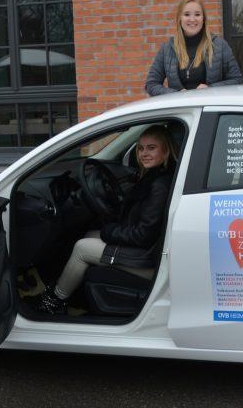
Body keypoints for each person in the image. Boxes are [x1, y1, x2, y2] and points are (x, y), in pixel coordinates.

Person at [38, 125, 178, 315]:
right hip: (149, 250)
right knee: (90, 234)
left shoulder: (159, 185)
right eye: (141, 148)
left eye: (151, 148)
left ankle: (55, 301)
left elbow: (143, 235)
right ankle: (69, 289)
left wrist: (109, 231)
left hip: (147, 260)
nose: (144, 153)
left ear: (166, 149)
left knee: (82, 247)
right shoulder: (158, 176)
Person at [146, 0, 242, 95]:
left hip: (211, 108)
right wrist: (175, 94)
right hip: (180, 109)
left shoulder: (219, 45)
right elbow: (151, 84)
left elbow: (236, 80)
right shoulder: (167, 49)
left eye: (197, 14)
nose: (192, 19)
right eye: (187, 14)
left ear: (203, 18)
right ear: (179, 18)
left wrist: (210, 88)